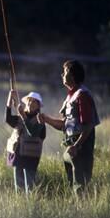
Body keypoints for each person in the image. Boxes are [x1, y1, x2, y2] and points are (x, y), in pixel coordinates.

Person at [38, 60, 100, 194]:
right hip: (71, 148)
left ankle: (83, 213)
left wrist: (77, 145)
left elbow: (88, 125)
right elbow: (64, 125)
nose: (62, 75)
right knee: (72, 185)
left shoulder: (82, 96)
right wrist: (46, 119)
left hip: (80, 148)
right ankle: (76, 211)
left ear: (73, 75)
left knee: (80, 186)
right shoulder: (71, 96)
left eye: (65, 72)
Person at [5, 89, 46, 193]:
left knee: (29, 187)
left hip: (30, 158)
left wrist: (23, 115)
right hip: (18, 156)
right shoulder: (20, 117)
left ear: (38, 106)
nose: (31, 103)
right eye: (29, 100)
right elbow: (8, 119)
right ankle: (20, 206)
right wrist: (10, 99)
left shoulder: (40, 120)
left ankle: (30, 207)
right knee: (18, 187)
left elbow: (33, 132)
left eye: (34, 101)